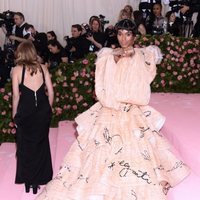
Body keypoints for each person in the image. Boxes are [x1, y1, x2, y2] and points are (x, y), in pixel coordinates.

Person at [36, 19, 190, 200]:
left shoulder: (143, 55)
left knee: (138, 150)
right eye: (120, 34)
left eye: (128, 34)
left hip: (131, 110)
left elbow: (149, 68)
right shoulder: (106, 55)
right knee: (100, 153)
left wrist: (136, 55)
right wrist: (114, 57)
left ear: (134, 36)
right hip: (108, 110)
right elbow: (100, 85)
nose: (123, 38)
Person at [12, 41, 54, 194]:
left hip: (26, 113)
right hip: (42, 112)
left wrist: (14, 115)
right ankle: (39, 180)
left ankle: (28, 181)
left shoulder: (16, 70)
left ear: (20, 53)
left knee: (25, 148)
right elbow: (50, 91)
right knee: (41, 146)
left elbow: (16, 97)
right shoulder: (43, 68)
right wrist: (48, 108)